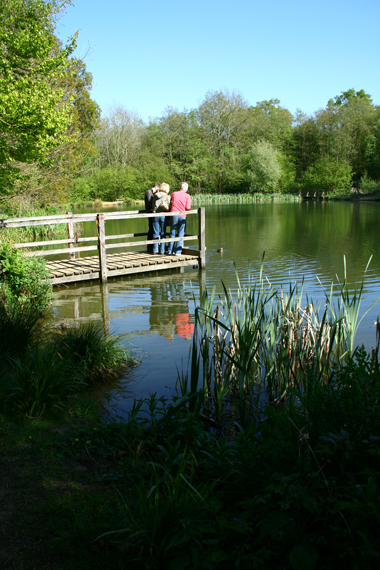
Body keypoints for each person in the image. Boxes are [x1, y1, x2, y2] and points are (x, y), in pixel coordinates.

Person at [167, 182, 191, 256]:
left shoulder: (174, 193)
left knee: (172, 233)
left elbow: (170, 201)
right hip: (183, 216)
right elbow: (188, 207)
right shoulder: (187, 196)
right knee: (181, 234)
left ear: (180, 187)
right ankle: (178, 252)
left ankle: (170, 250)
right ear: (186, 189)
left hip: (174, 214)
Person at [152, 182, 171, 254]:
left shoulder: (155, 195)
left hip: (155, 215)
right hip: (163, 215)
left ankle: (155, 250)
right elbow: (168, 207)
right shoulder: (167, 197)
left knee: (155, 233)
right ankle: (162, 251)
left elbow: (153, 205)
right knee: (163, 233)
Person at [145, 183, 161, 253]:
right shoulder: (149, 192)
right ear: (156, 187)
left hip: (153, 214)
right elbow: (149, 202)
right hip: (150, 214)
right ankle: (149, 247)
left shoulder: (152, 193)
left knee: (153, 230)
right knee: (151, 230)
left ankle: (153, 247)